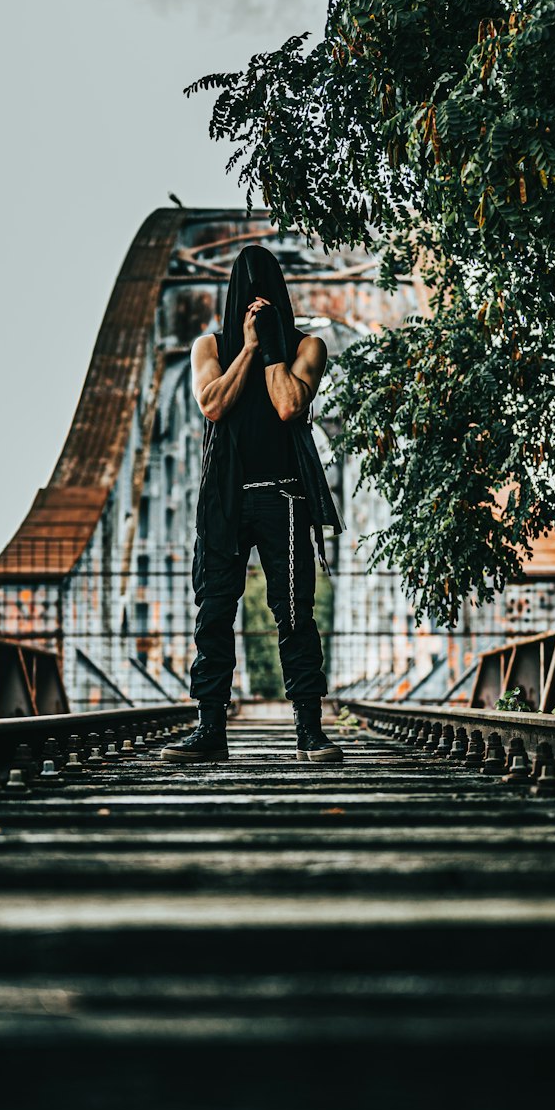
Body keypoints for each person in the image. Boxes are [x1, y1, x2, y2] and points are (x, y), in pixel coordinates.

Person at [161, 244, 345, 764]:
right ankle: (210, 728)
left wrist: (269, 349)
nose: (255, 303)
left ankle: (309, 729)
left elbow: (288, 405)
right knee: (214, 610)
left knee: (293, 612)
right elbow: (213, 404)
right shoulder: (210, 347)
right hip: (224, 497)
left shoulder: (308, 348)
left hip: (284, 495)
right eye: (247, 296)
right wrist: (244, 349)